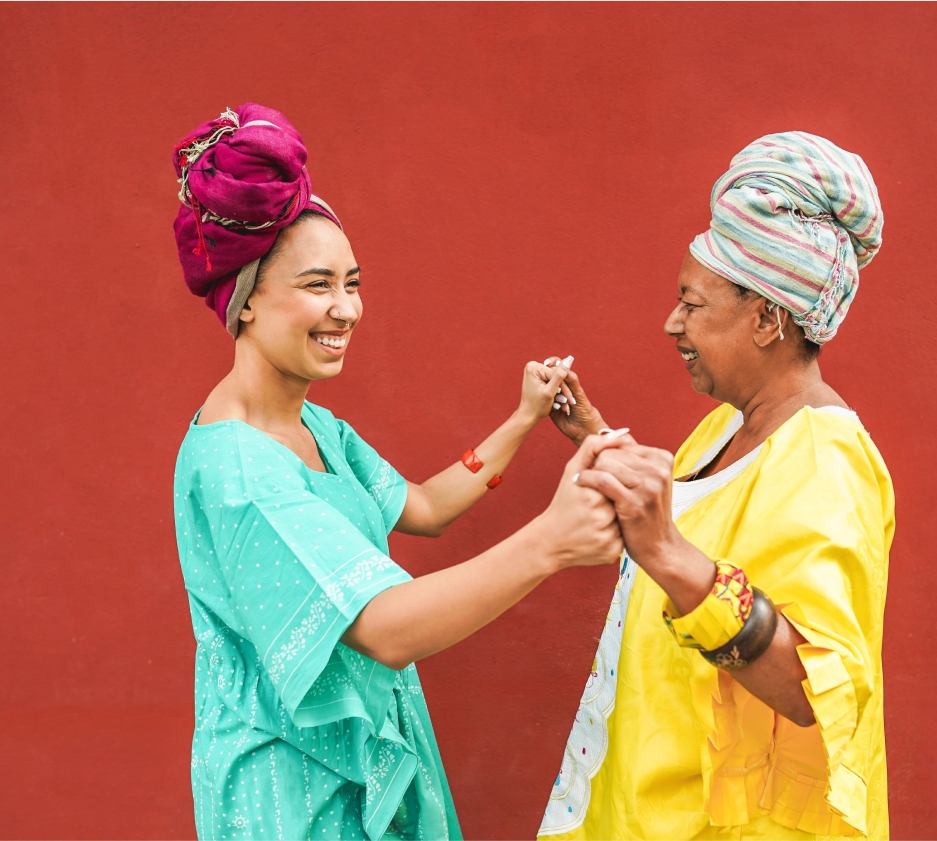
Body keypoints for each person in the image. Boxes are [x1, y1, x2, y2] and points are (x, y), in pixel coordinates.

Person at [171, 104, 626, 841]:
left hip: (352, 768)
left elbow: (423, 506)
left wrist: (522, 417)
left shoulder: (312, 424)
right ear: (245, 296)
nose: (346, 309)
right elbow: (382, 628)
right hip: (292, 798)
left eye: (353, 283)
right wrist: (553, 539)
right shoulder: (240, 471)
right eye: (318, 285)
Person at [538, 132, 894, 840]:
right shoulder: (723, 430)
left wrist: (666, 551)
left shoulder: (827, 460)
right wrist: (597, 439)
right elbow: (703, 530)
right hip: (645, 808)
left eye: (693, 305)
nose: (673, 324)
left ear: (767, 318)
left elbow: (812, 686)